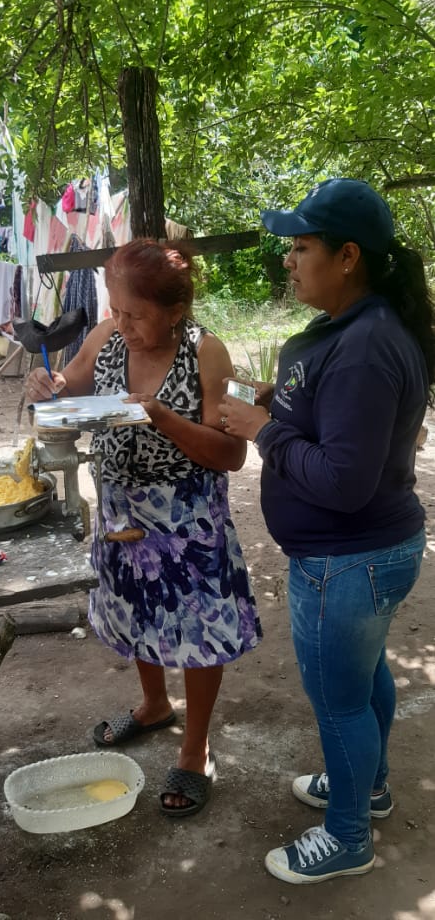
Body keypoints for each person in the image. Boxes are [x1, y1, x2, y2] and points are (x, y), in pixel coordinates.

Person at [218, 178, 435, 883]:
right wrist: (278, 403)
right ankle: (367, 789)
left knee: (339, 703)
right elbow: (337, 419)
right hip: (366, 554)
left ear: (347, 257)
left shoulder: (366, 345)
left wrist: (265, 430)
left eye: (301, 246)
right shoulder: (358, 329)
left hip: (347, 559)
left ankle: (346, 838)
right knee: (364, 678)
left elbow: (343, 481)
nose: (288, 259)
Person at [26, 238, 262, 817]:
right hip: (121, 510)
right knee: (135, 610)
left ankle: (195, 747)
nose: (122, 323)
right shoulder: (108, 336)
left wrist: (159, 416)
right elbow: (70, 386)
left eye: (135, 314)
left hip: (187, 516)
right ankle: (155, 704)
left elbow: (232, 454)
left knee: (200, 627)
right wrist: (48, 386)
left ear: (174, 311)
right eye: (116, 309)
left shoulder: (209, 353)